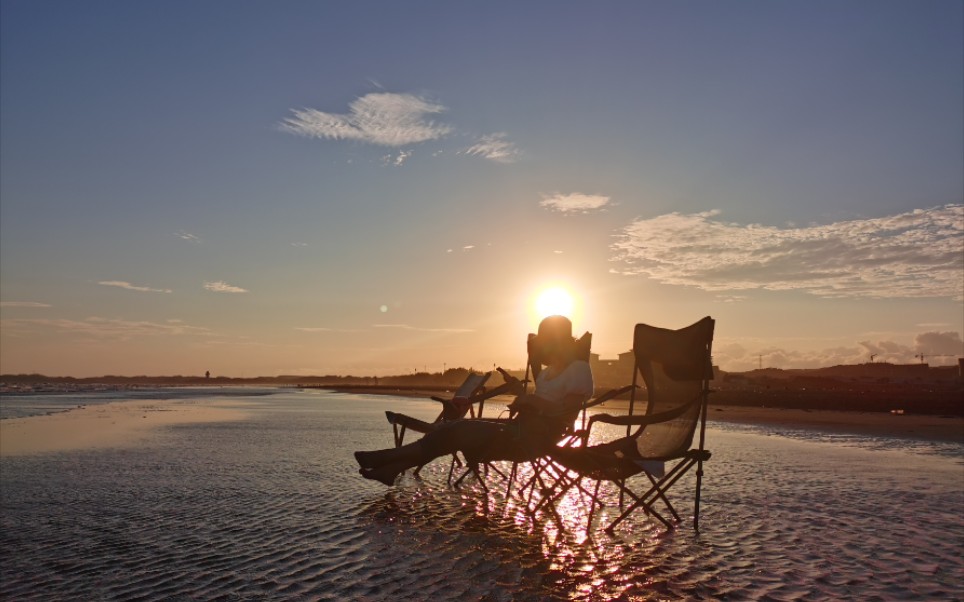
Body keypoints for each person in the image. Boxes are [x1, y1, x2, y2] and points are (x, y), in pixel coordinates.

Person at [355, 315, 594, 485]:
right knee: (450, 431)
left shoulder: (579, 369)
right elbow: (537, 401)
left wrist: (532, 403)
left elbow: (566, 412)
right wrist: (523, 399)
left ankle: (387, 460)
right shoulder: (547, 371)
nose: (543, 345)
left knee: (457, 430)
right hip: (520, 428)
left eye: (546, 339)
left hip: (538, 437)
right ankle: (391, 467)